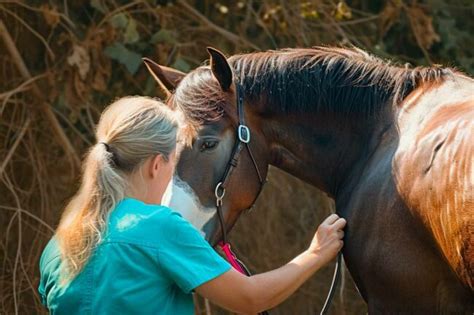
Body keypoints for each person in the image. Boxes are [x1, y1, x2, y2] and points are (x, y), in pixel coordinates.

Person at [39, 96, 346, 314]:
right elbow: (251, 299)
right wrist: (316, 253)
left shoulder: (58, 244)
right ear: (156, 165)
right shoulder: (158, 226)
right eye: (175, 163)